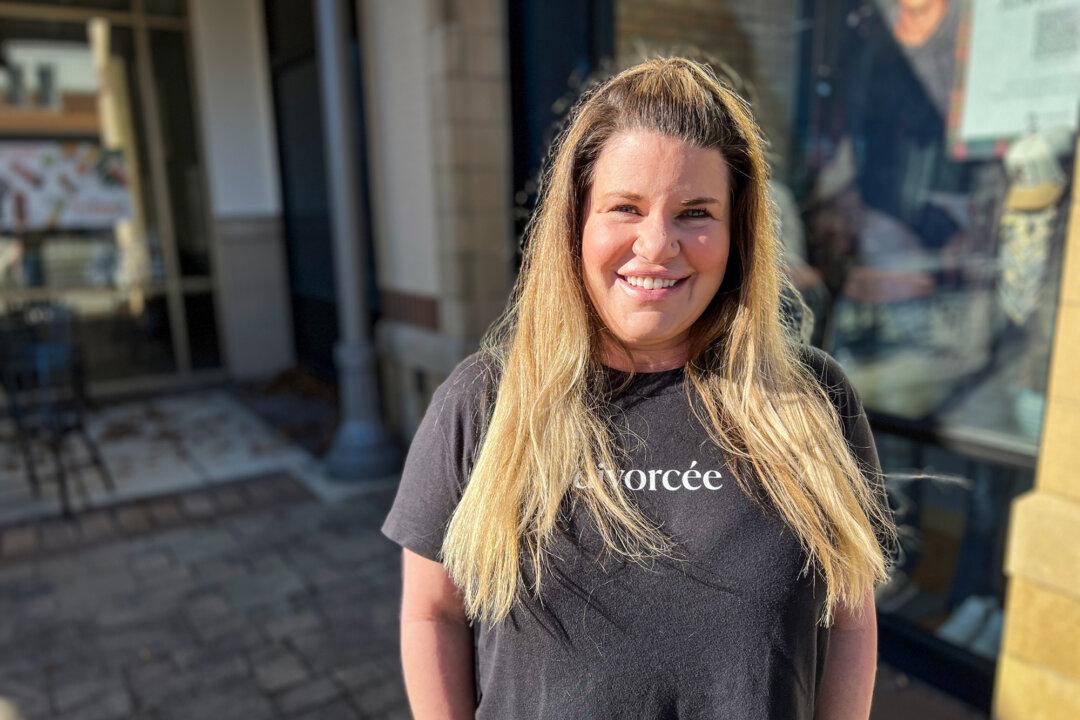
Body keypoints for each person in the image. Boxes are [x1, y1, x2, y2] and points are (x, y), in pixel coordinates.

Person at [381, 57, 897, 719]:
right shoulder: (485, 402)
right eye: (625, 208)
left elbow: (850, 620)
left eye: (694, 213)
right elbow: (431, 613)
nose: (657, 245)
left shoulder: (811, 401)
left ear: (738, 235)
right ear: (576, 225)